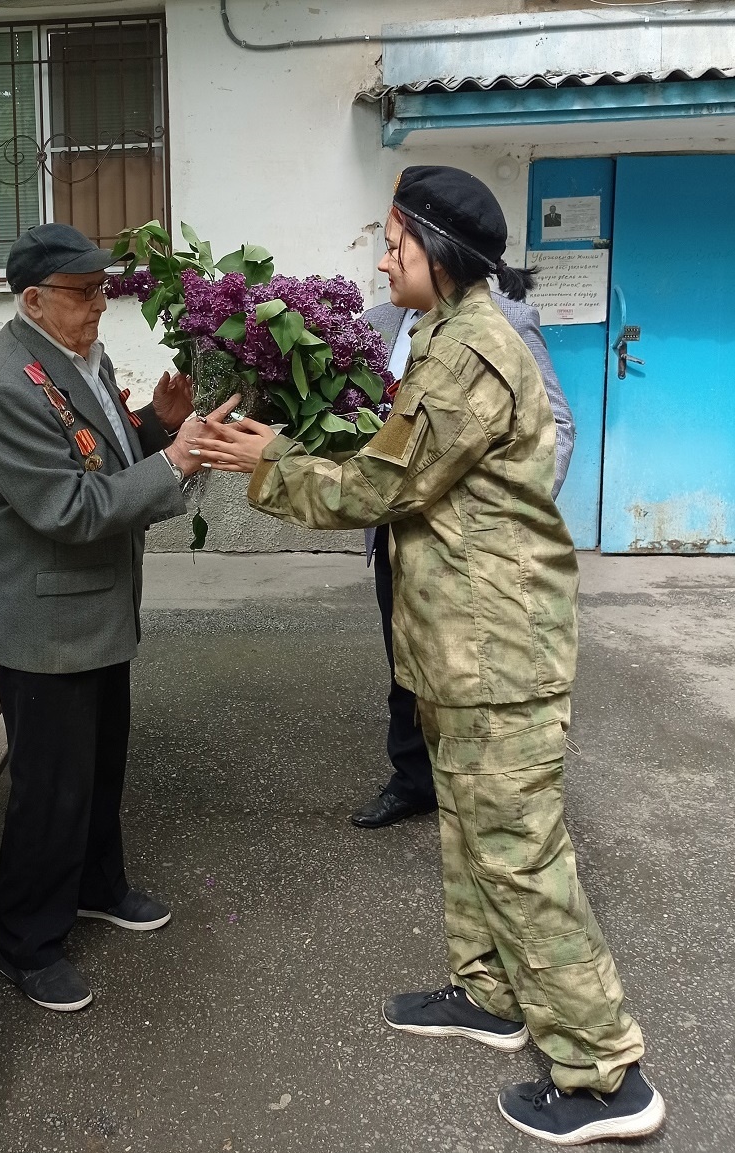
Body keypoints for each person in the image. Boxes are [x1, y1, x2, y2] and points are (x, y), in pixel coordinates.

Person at [191, 168, 664, 1145]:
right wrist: (292, 442)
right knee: (473, 835)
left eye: (394, 241)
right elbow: (400, 459)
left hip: (498, 652)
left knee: (521, 855)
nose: (381, 257)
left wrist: (264, 462)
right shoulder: (451, 339)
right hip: (462, 646)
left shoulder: (475, 352)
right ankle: (491, 996)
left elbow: (382, 486)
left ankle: (605, 1071)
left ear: (439, 253)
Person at [0, 223, 204, 1013]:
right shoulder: (7, 386)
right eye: (84, 293)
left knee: (99, 766)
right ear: (34, 300)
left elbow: (97, 457)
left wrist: (155, 427)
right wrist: (173, 461)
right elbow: (69, 506)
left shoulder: (71, 359)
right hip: (47, 626)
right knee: (50, 789)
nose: (101, 305)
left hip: (93, 611)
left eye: (105, 288)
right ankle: (28, 941)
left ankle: (99, 885)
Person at [352, 292, 575, 829]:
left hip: (469, 541)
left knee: (475, 666)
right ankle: (413, 780)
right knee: (404, 655)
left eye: (396, 242)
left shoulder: (506, 319)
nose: (387, 261)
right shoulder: (380, 323)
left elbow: (557, 425)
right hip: (396, 528)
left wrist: (513, 510)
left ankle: (482, 789)